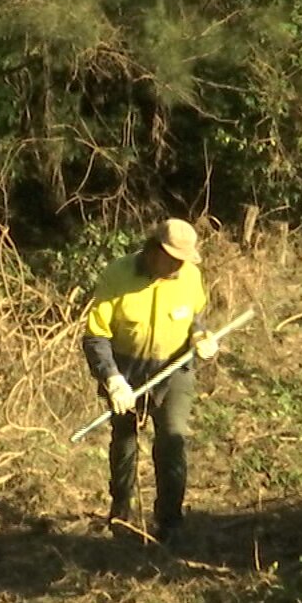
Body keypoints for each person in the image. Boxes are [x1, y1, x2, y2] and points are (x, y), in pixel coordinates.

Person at [80, 218, 220, 546]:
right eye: (172, 258)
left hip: (173, 370)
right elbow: (96, 335)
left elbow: (196, 318)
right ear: (154, 250)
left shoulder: (190, 276)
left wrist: (201, 336)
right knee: (125, 439)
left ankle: (170, 521)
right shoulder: (117, 275)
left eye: (183, 260)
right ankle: (121, 508)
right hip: (127, 369)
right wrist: (112, 379)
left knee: (172, 439)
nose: (178, 266)